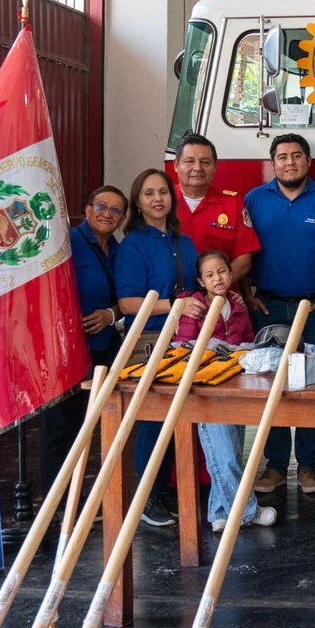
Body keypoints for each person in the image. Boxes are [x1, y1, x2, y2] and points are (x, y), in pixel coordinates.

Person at [244, 133, 315, 496]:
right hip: (266, 306)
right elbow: (243, 254)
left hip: (314, 308)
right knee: (270, 385)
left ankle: (307, 467)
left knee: (308, 387)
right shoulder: (254, 200)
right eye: (283, 156)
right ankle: (273, 466)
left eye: (297, 156)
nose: (290, 162)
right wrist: (246, 296)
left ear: (308, 161)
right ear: (273, 162)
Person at [115, 167, 203, 527]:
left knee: (177, 417)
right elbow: (128, 304)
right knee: (152, 420)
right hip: (150, 341)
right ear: (138, 201)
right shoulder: (134, 244)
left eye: (163, 192)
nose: (157, 199)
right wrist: (175, 306)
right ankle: (146, 498)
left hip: (186, 340)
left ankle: (165, 490)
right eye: (149, 193)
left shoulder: (183, 241)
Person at [174, 251, 274, 530]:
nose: (217, 278)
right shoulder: (192, 306)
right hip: (206, 388)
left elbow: (246, 343)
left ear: (231, 274)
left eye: (222, 272)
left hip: (233, 385)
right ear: (200, 280)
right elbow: (182, 347)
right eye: (209, 274)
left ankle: (219, 512)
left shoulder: (238, 305)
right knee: (224, 454)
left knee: (230, 450)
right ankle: (246, 511)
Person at [39, 185, 126, 488]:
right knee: (60, 427)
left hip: (104, 351)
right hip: (65, 352)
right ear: (88, 209)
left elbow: (127, 297)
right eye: (101, 206)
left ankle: (80, 497)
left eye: (116, 210)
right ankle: (55, 504)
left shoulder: (119, 250)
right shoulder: (68, 242)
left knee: (88, 428)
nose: (107, 214)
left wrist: (110, 314)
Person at [172, 133, 260, 284]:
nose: (197, 168)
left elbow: (243, 260)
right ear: (176, 165)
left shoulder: (233, 204)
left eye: (205, 162)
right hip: (172, 300)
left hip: (219, 300)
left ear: (215, 167)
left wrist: (213, 288)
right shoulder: (163, 204)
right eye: (189, 161)